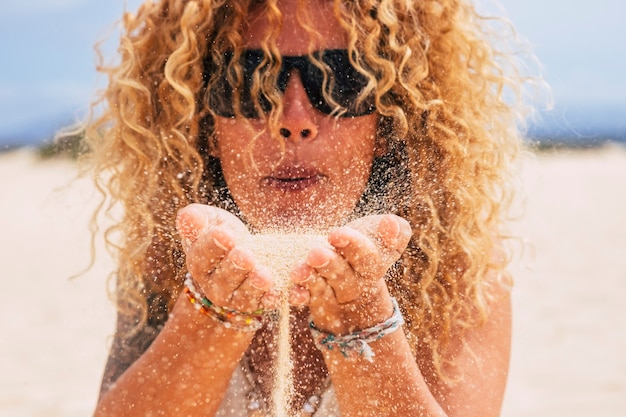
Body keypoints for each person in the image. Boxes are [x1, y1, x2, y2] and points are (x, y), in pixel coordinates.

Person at [86, 0, 532, 415]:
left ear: (387, 123)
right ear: (205, 125)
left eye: (339, 82)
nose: (293, 120)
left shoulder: (459, 268)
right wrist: (214, 314)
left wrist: (361, 321)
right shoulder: (166, 256)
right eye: (252, 83)